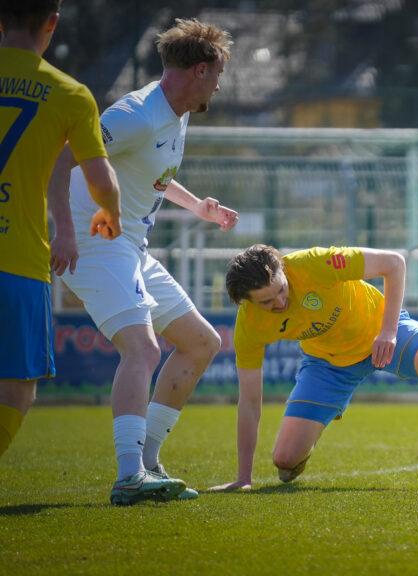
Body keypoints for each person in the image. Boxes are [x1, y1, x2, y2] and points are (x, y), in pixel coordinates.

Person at [48, 18, 238, 505]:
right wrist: (64, 233)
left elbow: (149, 171)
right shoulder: (135, 114)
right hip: (96, 239)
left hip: (130, 245)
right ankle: (129, 475)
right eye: (218, 73)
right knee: (143, 349)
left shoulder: (179, 111)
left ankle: (149, 463)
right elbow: (62, 159)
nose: (219, 83)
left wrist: (196, 206)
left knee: (201, 342)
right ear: (198, 70)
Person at [209, 244, 418, 490]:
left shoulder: (316, 263)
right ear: (247, 303)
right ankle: (314, 430)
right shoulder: (248, 326)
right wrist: (244, 478)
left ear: (284, 270)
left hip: (384, 333)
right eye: (267, 302)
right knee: (284, 462)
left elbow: (394, 263)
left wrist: (389, 331)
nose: (280, 302)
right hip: (328, 366)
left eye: (282, 291)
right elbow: (250, 403)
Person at [0, 0, 122, 460]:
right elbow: (101, 180)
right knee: (15, 392)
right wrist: (111, 213)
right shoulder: (70, 93)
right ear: (52, 22)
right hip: (17, 262)